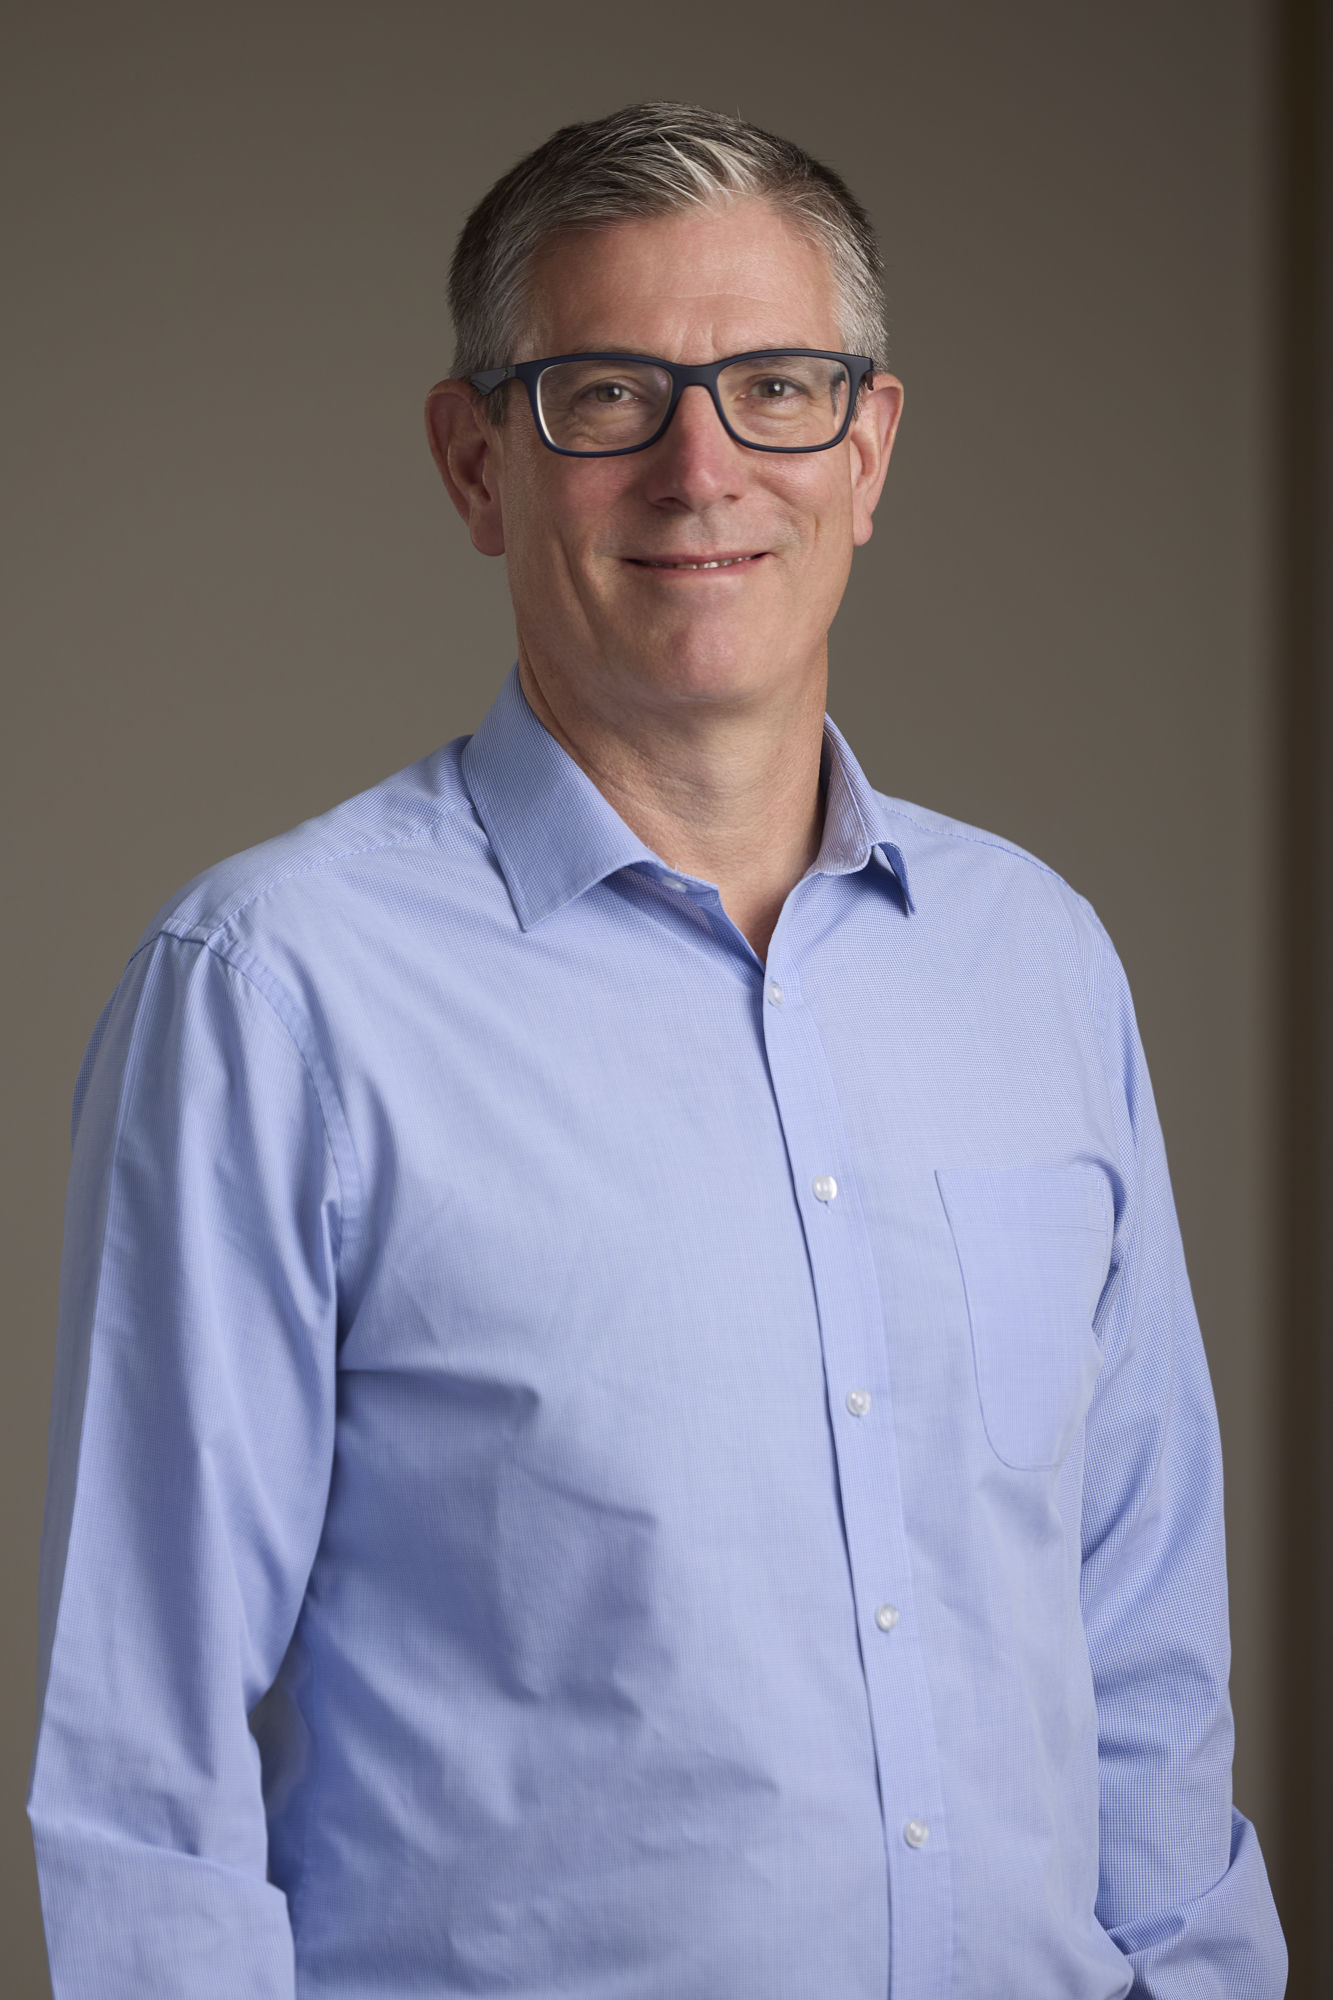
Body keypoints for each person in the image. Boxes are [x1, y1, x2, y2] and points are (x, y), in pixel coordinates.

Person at [28, 100, 1285, 1999]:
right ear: (474, 464)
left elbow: (1143, 1651)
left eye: (778, 387)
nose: (703, 469)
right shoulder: (274, 992)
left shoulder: (1038, 964)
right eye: (605, 396)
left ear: (867, 452)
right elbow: (144, 1778)